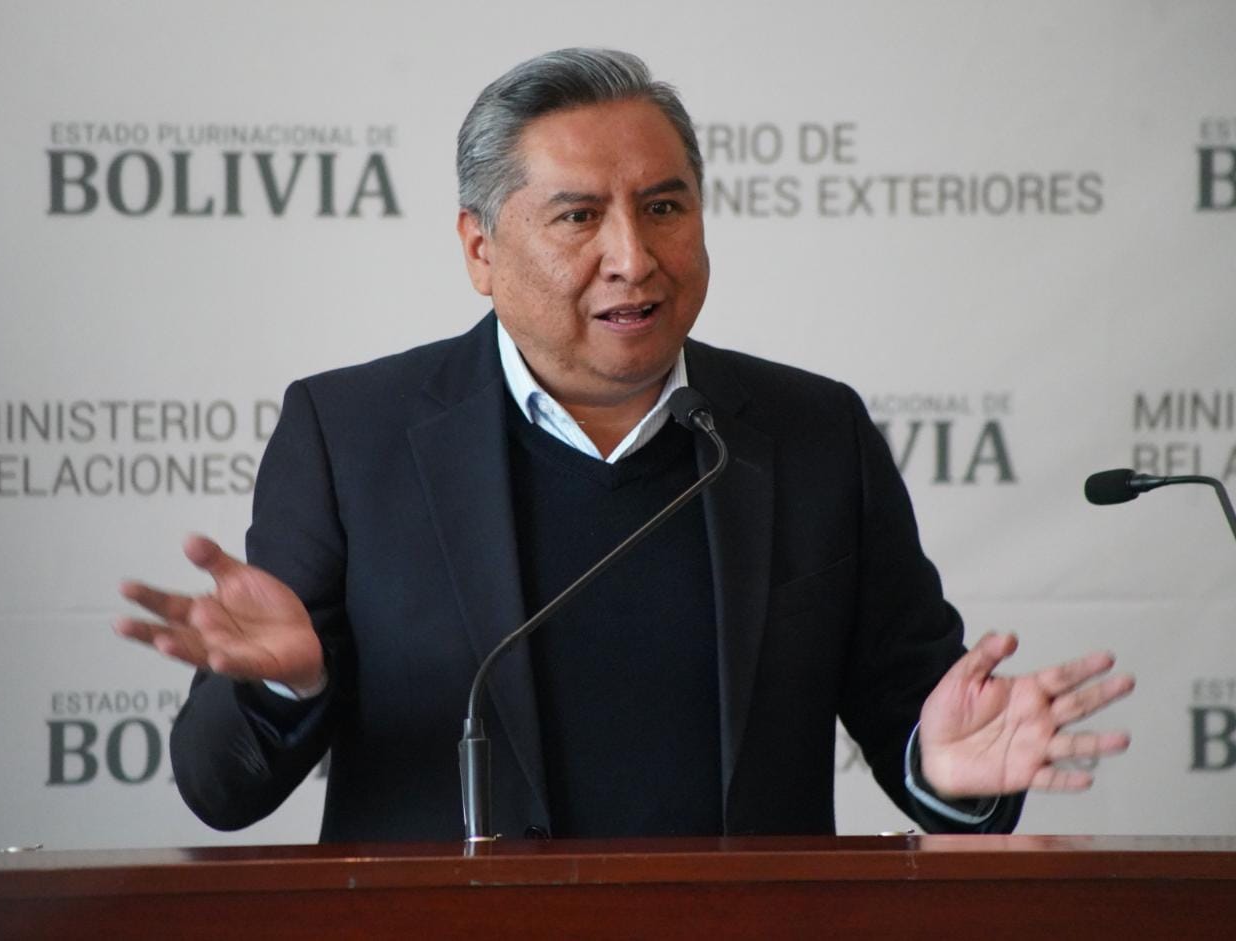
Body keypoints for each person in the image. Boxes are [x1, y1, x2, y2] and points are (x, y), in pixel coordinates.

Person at [116, 49, 1133, 841]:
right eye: (577, 216)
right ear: (479, 248)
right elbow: (219, 789)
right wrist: (282, 684)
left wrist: (945, 770)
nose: (633, 257)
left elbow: (923, 723)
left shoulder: (812, 434)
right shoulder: (352, 437)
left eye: (663, 207)